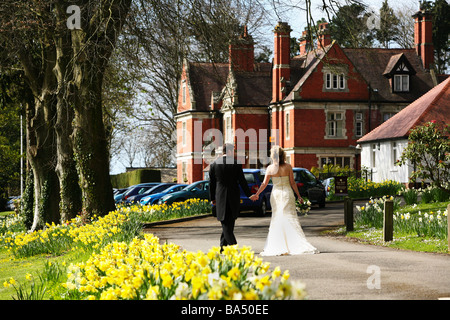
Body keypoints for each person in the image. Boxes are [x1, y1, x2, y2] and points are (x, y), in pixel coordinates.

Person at [250, 145, 319, 256]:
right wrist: (299, 196)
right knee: (289, 217)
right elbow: (292, 183)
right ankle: (293, 243)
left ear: (273, 156)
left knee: (277, 217)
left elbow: (264, 184)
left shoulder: (270, 168)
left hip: (276, 194)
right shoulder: (288, 167)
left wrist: (257, 194)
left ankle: (278, 244)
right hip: (287, 193)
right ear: (283, 155)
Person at [209, 143, 252, 252]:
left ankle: (223, 247)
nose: (234, 153)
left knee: (226, 222)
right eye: (233, 151)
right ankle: (233, 247)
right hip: (233, 196)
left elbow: (212, 184)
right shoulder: (236, 164)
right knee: (228, 223)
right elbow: (242, 182)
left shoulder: (214, 164)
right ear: (229, 151)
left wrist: (212, 198)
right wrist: (249, 195)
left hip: (220, 197)